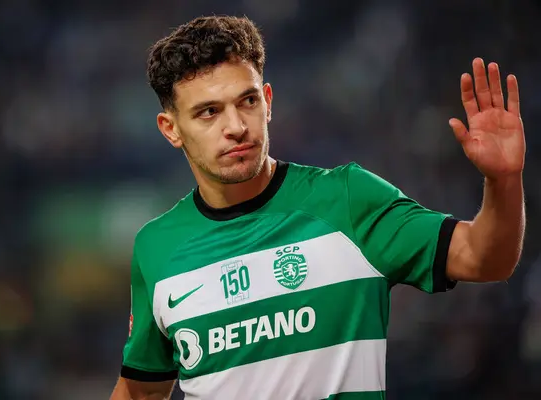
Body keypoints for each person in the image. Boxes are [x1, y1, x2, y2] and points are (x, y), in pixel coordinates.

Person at [109, 15, 526, 400]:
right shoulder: (156, 248)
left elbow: (485, 259)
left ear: (268, 101)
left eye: (248, 101)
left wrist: (503, 180)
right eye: (209, 113)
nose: (236, 126)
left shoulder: (348, 199)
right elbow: (140, 391)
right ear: (171, 129)